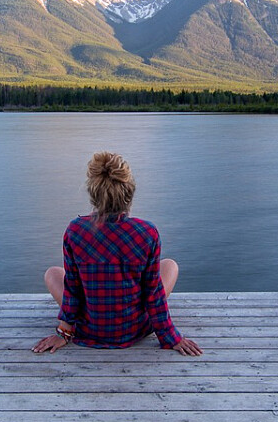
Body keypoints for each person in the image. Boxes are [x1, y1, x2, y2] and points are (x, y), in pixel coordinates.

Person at [33, 152, 202, 356]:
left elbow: (73, 288)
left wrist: (63, 333)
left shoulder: (75, 231)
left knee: (53, 273)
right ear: (129, 193)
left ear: (93, 194)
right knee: (170, 266)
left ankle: (75, 325)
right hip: (133, 329)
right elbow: (153, 293)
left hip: (89, 329)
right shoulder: (147, 233)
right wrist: (171, 337)